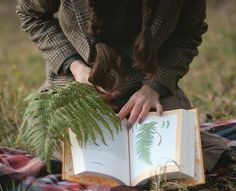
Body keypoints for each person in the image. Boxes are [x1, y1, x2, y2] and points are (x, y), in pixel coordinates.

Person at [16, 0, 230, 173]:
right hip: (78, 85)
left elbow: (190, 32)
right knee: (61, 151)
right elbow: (30, 14)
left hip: (145, 88)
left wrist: (155, 86)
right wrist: (76, 67)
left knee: (176, 160)